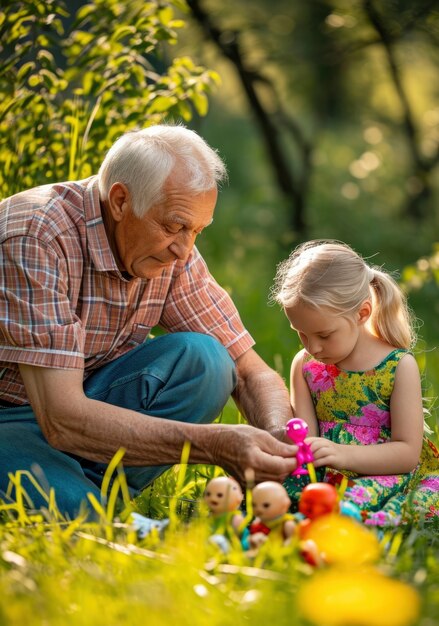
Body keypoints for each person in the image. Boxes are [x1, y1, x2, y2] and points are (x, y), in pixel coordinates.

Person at [0, 124, 298, 519]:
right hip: (19, 418)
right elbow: (61, 418)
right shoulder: (35, 236)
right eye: (174, 226)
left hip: (77, 412)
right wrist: (212, 444)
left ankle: (81, 490)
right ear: (121, 201)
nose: (184, 248)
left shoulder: (173, 252)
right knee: (74, 508)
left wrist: (277, 442)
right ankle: (90, 505)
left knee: (205, 360)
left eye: (197, 231)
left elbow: (249, 373)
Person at [272, 240, 439, 527]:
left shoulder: (398, 366)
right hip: (323, 476)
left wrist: (342, 454)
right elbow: (306, 441)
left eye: (324, 335)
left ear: (361, 313)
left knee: (349, 508)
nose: (312, 347)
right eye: (301, 334)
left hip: (382, 475)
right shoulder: (305, 365)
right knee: (271, 495)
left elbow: (407, 453)